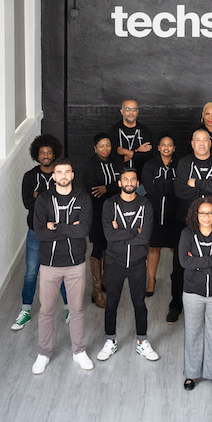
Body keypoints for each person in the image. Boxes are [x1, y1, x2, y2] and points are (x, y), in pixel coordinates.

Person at [31, 158, 93, 374]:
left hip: (76, 264)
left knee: (76, 310)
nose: (64, 175)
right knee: (46, 311)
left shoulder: (83, 198)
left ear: (72, 175)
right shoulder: (44, 200)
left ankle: (79, 351)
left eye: (67, 171)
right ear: (54, 176)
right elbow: (40, 233)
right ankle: (43, 353)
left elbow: (83, 230)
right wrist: (69, 227)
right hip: (49, 265)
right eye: (60, 172)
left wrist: (54, 226)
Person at [168, 129, 212, 324]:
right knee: (181, 264)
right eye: (198, 140)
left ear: (210, 143)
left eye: (205, 140)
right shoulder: (185, 163)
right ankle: (176, 305)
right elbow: (179, 190)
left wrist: (196, 183)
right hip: (186, 221)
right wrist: (210, 185)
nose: (202, 143)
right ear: (192, 143)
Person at [96, 168, 159, 363]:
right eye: (126, 179)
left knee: (139, 304)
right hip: (115, 262)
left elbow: (145, 237)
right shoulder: (109, 204)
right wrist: (134, 231)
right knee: (112, 304)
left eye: (133, 179)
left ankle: (142, 342)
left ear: (137, 182)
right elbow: (109, 236)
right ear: (120, 182)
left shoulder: (145, 204)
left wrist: (121, 231)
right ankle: (110, 340)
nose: (129, 182)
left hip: (138, 263)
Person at [12, 134, 68, 331]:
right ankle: (26, 310)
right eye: (42, 153)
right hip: (35, 232)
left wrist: (40, 197)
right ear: (37, 155)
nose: (45, 155)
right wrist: (49, 198)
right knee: (31, 272)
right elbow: (29, 203)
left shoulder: (62, 174)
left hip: (58, 232)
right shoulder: (30, 176)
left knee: (61, 270)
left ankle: (69, 308)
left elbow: (65, 201)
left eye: (49, 152)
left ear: (54, 154)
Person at [179, 197, 212, 391]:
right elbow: (185, 262)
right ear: (196, 214)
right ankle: (192, 374)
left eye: (210, 213)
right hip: (193, 292)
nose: (206, 217)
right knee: (193, 333)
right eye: (202, 213)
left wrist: (200, 265)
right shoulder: (187, 234)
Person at [83, 132, 120, 308]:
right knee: (98, 247)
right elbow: (94, 191)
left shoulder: (116, 161)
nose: (105, 149)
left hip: (115, 210)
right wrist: (111, 188)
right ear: (95, 147)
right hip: (97, 213)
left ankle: (105, 282)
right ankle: (96, 291)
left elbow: (123, 183)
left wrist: (107, 188)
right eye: (101, 146)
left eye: (108, 145)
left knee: (110, 245)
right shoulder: (90, 166)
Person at [141, 132, 179, 297]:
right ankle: (151, 280)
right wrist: (170, 186)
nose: (166, 147)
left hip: (174, 213)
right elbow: (149, 189)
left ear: (174, 148)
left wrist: (161, 184)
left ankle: (178, 280)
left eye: (169, 145)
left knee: (175, 248)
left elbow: (180, 189)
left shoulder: (180, 165)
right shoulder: (150, 165)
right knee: (153, 247)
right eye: (163, 144)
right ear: (158, 147)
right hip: (154, 212)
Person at [108, 99, 153, 177]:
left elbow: (147, 157)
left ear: (137, 111)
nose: (131, 112)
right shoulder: (113, 131)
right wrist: (137, 151)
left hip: (141, 181)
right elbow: (114, 161)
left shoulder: (145, 131)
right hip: (119, 181)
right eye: (128, 109)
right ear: (122, 111)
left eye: (134, 109)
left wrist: (124, 151)